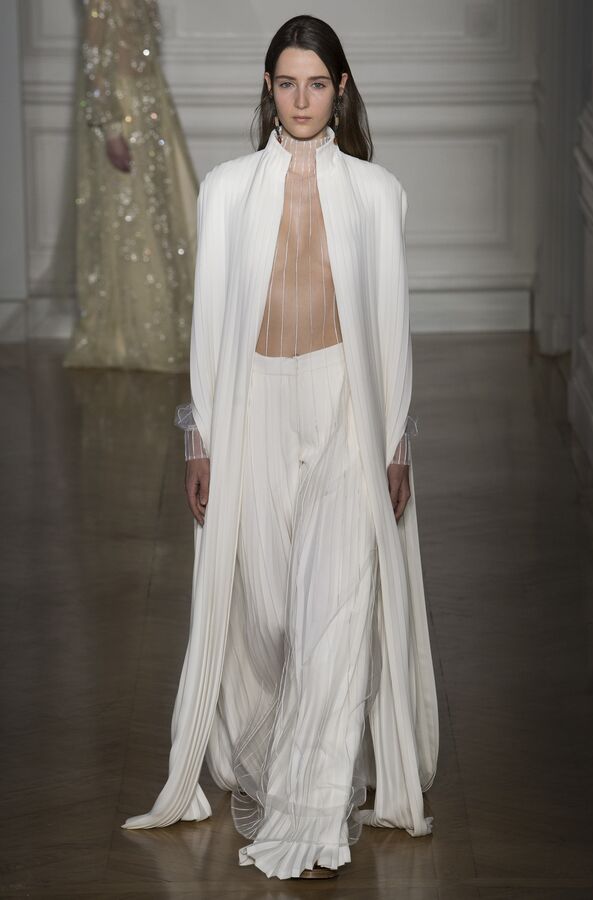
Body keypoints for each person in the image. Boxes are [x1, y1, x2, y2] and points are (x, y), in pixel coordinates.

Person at [122, 14, 439, 881]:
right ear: (268, 89)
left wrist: (397, 441)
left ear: (342, 90)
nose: (303, 100)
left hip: (344, 411)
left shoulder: (377, 193)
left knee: (331, 614)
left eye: (318, 84)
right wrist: (198, 438)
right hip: (255, 410)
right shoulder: (227, 190)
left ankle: (312, 811)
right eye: (288, 83)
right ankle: (273, 762)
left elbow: (391, 329)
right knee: (266, 617)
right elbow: (210, 323)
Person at [64, 0, 198, 372]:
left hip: (150, 107)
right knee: (132, 218)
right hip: (126, 113)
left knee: (160, 217)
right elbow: (95, 61)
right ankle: (132, 334)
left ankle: (166, 325)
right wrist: (111, 128)